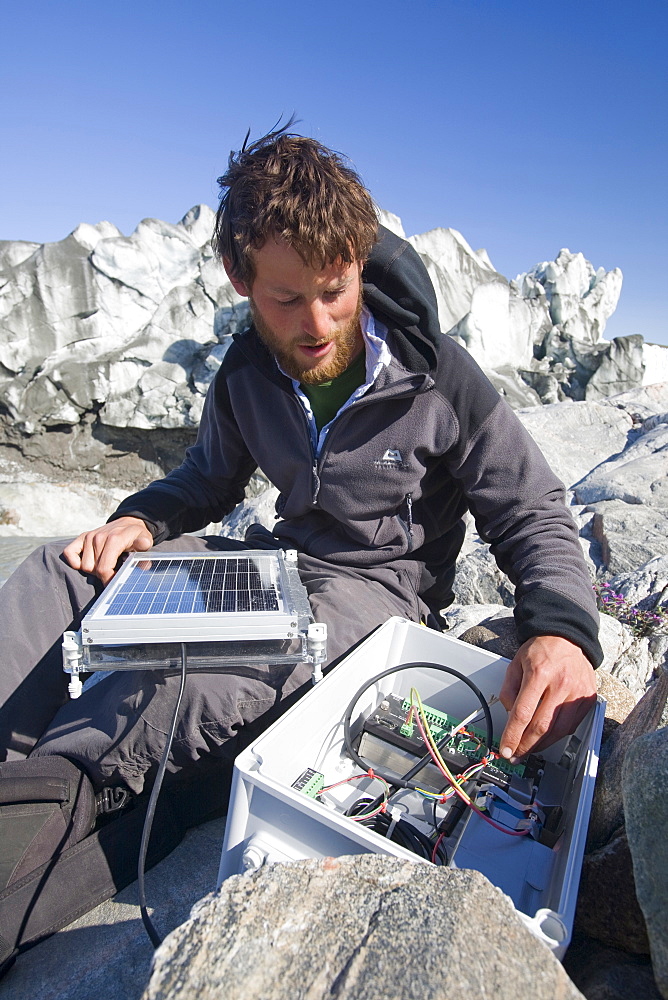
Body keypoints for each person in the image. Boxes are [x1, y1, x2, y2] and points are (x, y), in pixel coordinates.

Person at [0, 125, 601, 802]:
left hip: (375, 596)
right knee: (60, 572)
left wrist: (562, 631)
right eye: (286, 299)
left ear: (358, 260)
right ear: (241, 281)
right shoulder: (247, 372)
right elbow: (207, 477)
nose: (317, 323)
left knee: (192, 687)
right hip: (273, 565)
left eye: (336, 291)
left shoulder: (438, 377)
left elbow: (530, 507)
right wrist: (142, 519)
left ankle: (39, 808)